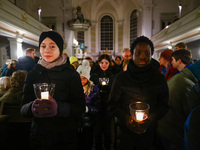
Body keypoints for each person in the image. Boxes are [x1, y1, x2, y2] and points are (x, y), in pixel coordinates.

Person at [20, 31, 85, 150]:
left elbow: (80, 107)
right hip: (39, 136)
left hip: (65, 137)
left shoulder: (71, 75)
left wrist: (58, 108)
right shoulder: (32, 74)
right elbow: (23, 108)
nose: (47, 50)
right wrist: (31, 107)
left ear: (59, 49)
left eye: (52, 46)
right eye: (43, 46)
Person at [107, 36, 169, 150]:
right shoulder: (121, 79)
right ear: (132, 54)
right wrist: (126, 118)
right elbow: (112, 105)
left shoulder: (159, 79)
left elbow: (164, 104)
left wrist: (151, 118)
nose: (142, 56)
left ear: (151, 55)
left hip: (150, 135)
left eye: (146, 53)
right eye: (138, 53)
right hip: (125, 136)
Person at [157, 59, 200, 150]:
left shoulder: (180, 77)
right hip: (173, 135)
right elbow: (190, 113)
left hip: (165, 129)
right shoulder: (188, 84)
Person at [90, 54, 115, 150]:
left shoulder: (113, 75)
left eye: (106, 63)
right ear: (99, 63)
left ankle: (108, 146)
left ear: (109, 63)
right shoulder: (95, 74)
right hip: (97, 103)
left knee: (108, 129)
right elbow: (91, 87)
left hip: (108, 103)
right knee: (97, 129)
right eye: (102, 63)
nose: (104, 65)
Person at [76, 59, 100, 150]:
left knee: (87, 142)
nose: (82, 81)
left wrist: (87, 109)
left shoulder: (93, 89)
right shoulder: (75, 88)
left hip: (88, 122)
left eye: (84, 78)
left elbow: (98, 107)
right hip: (77, 122)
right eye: (80, 78)